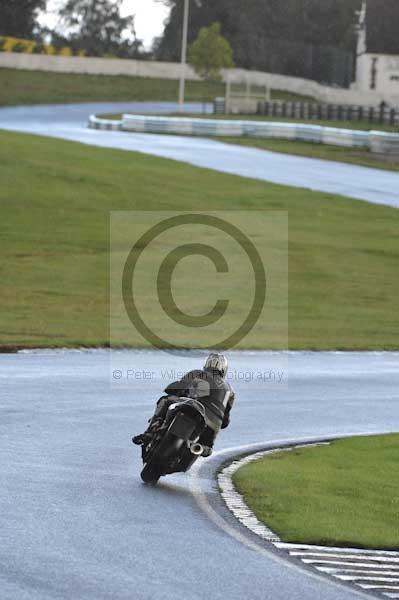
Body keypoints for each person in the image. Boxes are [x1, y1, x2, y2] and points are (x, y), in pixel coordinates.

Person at [132, 353, 235, 457]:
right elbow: (225, 421)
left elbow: (175, 388)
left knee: (165, 400)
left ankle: (150, 432)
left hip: (192, 408)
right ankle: (201, 448)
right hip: (213, 424)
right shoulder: (230, 391)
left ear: (207, 364)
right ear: (224, 369)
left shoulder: (197, 373)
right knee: (207, 447)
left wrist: (178, 391)